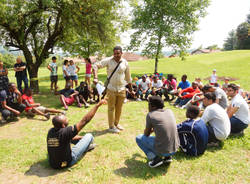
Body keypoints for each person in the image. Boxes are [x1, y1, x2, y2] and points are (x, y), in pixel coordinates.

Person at [47, 99, 106, 169]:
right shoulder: (66, 132)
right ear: (63, 125)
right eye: (66, 120)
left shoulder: (51, 131)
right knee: (89, 136)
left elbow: (69, 138)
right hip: (67, 162)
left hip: (53, 164)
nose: (68, 119)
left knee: (80, 138)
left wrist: (82, 138)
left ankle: (85, 145)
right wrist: (97, 105)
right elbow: (85, 120)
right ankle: (86, 147)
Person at [92, 46, 132, 133]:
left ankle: (116, 124)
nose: (116, 55)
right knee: (111, 108)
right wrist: (95, 77)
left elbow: (128, 77)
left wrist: (131, 89)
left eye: (118, 53)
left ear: (121, 53)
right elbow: (95, 66)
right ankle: (111, 127)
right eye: (114, 53)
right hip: (111, 88)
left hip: (122, 88)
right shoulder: (109, 60)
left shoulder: (125, 62)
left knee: (119, 108)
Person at [135, 96, 179, 168]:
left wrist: (150, 129)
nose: (148, 107)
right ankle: (168, 157)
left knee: (139, 138)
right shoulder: (169, 111)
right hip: (174, 148)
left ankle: (156, 159)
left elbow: (146, 134)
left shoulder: (150, 115)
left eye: (148, 104)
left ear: (153, 106)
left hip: (163, 150)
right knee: (163, 137)